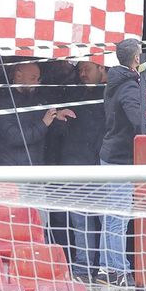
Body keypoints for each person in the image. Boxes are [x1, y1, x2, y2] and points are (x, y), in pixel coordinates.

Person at [45, 57, 107, 278]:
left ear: (101, 68)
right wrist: (60, 119)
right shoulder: (73, 95)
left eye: (87, 69)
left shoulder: (111, 95)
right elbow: (59, 134)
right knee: (79, 220)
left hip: (101, 166)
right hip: (75, 165)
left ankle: (103, 266)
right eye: (80, 70)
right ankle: (83, 265)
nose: (82, 74)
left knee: (105, 219)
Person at [97, 38, 146, 285]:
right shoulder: (129, 87)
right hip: (120, 158)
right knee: (119, 218)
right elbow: (137, 120)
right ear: (136, 59)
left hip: (111, 155)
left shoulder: (117, 82)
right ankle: (118, 271)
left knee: (111, 216)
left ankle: (107, 268)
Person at [0, 62, 72, 167]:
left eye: (38, 79)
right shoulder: (2, 103)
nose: (37, 83)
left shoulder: (37, 100)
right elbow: (14, 137)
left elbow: (51, 131)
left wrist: (57, 116)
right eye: (33, 78)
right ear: (18, 76)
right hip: (12, 169)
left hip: (35, 167)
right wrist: (43, 123)